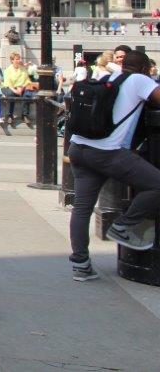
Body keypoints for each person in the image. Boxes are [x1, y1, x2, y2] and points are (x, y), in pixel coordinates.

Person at [68, 48, 160, 281]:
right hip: (107, 152)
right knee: (156, 185)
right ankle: (124, 226)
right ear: (144, 68)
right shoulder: (140, 80)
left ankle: (81, 265)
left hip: (79, 147)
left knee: (81, 208)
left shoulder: (108, 78)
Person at [1, 52, 32, 127]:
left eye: (19, 59)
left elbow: (27, 80)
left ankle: (25, 115)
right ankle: (9, 115)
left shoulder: (23, 69)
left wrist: (22, 88)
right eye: (16, 59)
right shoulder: (8, 70)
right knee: (11, 94)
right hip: (8, 87)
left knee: (27, 94)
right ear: (12, 60)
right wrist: (15, 90)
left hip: (20, 87)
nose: (18, 60)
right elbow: (8, 83)